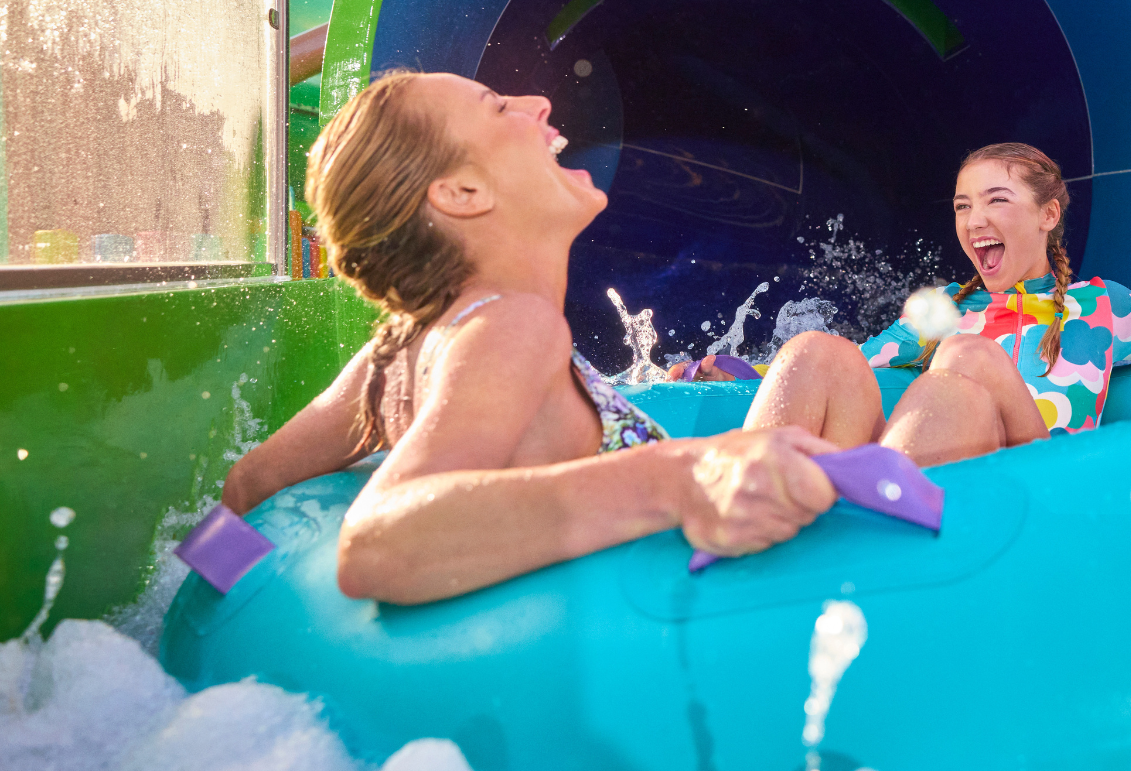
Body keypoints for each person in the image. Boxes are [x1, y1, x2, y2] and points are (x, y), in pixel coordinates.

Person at [221, 71, 837, 604]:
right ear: (462, 194)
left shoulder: (397, 351)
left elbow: (249, 483)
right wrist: (678, 478)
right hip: (621, 646)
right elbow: (378, 545)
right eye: (496, 106)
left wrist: (202, 617)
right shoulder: (514, 326)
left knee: (823, 362)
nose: (537, 102)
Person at [743, 143, 1131, 466]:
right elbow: (859, 362)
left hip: (1038, 485)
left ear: (1048, 215)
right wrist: (741, 370)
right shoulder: (944, 308)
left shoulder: (1105, 306)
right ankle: (756, 518)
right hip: (949, 468)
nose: (975, 220)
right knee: (818, 350)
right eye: (962, 205)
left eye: (996, 201)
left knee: (964, 355)